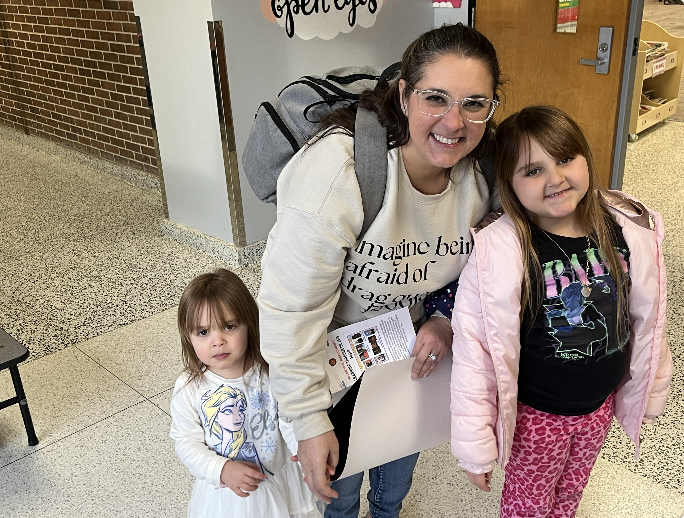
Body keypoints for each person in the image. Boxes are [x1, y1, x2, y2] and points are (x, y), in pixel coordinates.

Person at [257, 23, 502, 518]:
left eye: (475, 103)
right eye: (436, 98)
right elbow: (291, 309)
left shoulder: (483, 177)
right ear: (406, 95)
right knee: (339, 495)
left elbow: (479, 271)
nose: (454, 123)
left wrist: (441, 316)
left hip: (403, 353)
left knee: (393, 483)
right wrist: (307, 421)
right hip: (327, 358)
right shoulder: (341, 170)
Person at [449, 105, 672, 517]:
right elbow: (475, 353)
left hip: (597, 409)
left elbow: (649, 320)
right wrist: (475, 447)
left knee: (568, 499)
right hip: (536, 420)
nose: (555, 178)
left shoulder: (624, 228)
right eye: (532, 171)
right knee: (527, 508)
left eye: (565, 158)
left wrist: (654, 388)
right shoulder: (504, 251)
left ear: (586, 157)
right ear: (510, 184)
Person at [169, 268, 321, 518]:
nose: (217, 341)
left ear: (249, 324)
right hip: (227, 494)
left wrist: (303, 448)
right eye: (203, 332)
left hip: (276, 481)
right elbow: (186, 442)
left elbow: (289, 417)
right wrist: (221, 469)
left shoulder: (270, 372)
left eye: (229, 326)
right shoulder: (189, 387)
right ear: (188, 336)